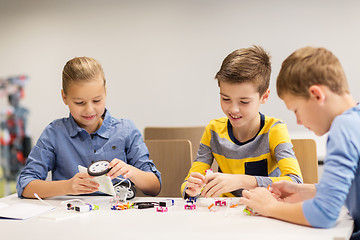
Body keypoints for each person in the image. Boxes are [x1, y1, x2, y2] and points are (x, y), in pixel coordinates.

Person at [239, 47, 360, 239]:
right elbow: (350, 186)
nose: (298, 122)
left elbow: (324, 214)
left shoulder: (343, 127)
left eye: (296, 110)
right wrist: (305, 190)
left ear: (317, 95)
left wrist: (271, 207)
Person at [16, 57, 161, 198]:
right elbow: (25, 185)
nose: (89, 110)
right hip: (69, 215)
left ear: (105, 93)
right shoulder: (55, 133)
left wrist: (132, 172)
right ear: (64, 97)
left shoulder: (125, 130)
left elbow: (155, 187)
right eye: (80, 102)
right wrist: (67, 186)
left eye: (97, 100)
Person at [181, 45, 303, 199]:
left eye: (244, 102)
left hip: (264, 212)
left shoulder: (274, 129)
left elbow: (295, 183)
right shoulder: (213, 131)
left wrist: (241, 180)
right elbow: (188, 183)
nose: (234, 109)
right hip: (225, 213)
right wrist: (191, 189)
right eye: (225, 99)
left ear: (264, 97)